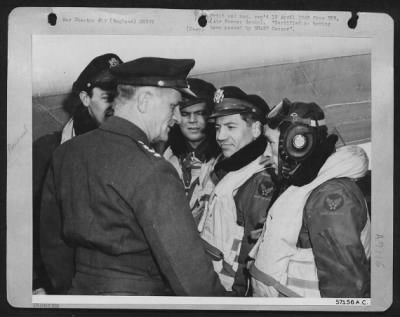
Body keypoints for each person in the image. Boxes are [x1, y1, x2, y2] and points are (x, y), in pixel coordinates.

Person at [40, 57, 228, 296]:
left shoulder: (66, 153)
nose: (177, 118)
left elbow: (54, 247)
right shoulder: (153, 169)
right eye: (173, 107)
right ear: (144, 101)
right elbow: (191, 277)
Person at [249, 98, 370, 298]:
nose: (267, 155)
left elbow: (347, 292)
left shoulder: (330, 198)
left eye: (270, 144)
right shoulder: (307, 184)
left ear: (298, 143)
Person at [33, 53, 122, 293]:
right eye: (107, 97)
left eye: (121, 97)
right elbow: (28, 226)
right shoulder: (46, 152)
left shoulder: (127, 150)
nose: (116, 106)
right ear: (84, 98)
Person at [197, 86, 274, 296]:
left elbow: (252, 257)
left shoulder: (260, 181)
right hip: (212, 285)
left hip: (230, 293)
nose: (220, 136)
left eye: (231, 127)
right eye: (217, 127)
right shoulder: (230, 167)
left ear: (256, 129)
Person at [163, 78, 220, 224]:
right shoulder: (165, 158)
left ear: (211, 117)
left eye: (200, 113)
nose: (192, 120)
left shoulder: (222, 160)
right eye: (185, 114)